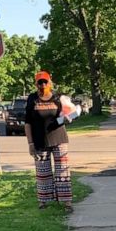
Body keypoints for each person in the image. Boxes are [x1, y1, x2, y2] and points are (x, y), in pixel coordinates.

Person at [24, 71, 73, 212]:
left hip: (59, 139)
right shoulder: (32, 99)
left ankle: (67, 202)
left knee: (62, 172)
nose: (43, 85)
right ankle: (43, 202)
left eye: (45, 82)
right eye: (40, 82)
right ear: (36, 83)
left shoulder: (58, 98)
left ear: (50, 83)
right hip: (40, 141)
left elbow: (69, 113)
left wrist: (68, 117)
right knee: (42, 173)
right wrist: (30, 143)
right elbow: (28, 123)